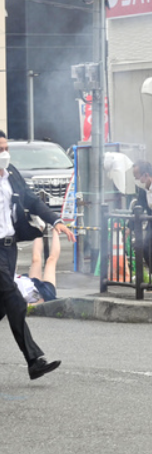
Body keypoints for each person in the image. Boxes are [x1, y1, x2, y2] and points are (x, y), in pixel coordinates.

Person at [0, 130, 76, 380]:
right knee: (15, 299)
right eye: (0, 149)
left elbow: (32, 201)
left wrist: (56, 221)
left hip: (8, 248)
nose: (5, 153)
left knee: (4, 304)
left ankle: (34, 362)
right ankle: (34, 360)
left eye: (5, 148)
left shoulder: (11, 174)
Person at [15, 233, 60, 305]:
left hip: (30, 285)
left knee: (35, 259)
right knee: (51, 261)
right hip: (43, 294)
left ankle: (39, 228)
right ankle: (55, 231)